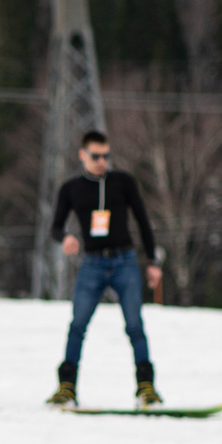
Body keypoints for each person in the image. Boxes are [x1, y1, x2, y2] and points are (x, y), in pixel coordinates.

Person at [47, 130, 165, 408]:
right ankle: (66, 388)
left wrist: (152, 261)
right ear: (82, 155)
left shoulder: (123, 182)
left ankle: (146, 389)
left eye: (106, 156)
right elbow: (55, 227)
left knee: (135, 325)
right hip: (92, 264)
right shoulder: (71, 188)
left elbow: (143, 221)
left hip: (124, 262)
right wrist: (66, 238)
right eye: (95, 156)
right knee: (77, 325)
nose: (102, 161)